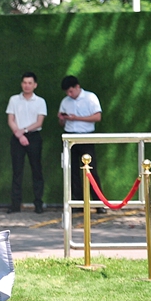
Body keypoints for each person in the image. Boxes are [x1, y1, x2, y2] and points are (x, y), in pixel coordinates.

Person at [6, 72, 47, 213]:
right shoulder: (14, 100)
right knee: (17, 171)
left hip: (34, 137)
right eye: (24, 82)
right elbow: (11, 119)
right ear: (21, 84)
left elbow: (39, 122)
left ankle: (38, 204)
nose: (27, 85)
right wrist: (19, 134)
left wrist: (23, 131)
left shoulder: (40, 101)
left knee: (37, 170)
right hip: (17, 137)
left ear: (35, 85)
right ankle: (15, 205)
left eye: (30, 83)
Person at [58, 75, 102, 205]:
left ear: (77, 87)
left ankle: (98, 202)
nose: (69, 94)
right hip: (69, 137)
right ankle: (77, 203)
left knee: (91, 171)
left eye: (71, 91)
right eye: (67, 92)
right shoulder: (65, 101)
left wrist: (76, 118)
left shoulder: (90, 97)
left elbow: (97, 117)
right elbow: (61, 123)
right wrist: (62, 118)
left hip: (86, 136)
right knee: (72, 171)